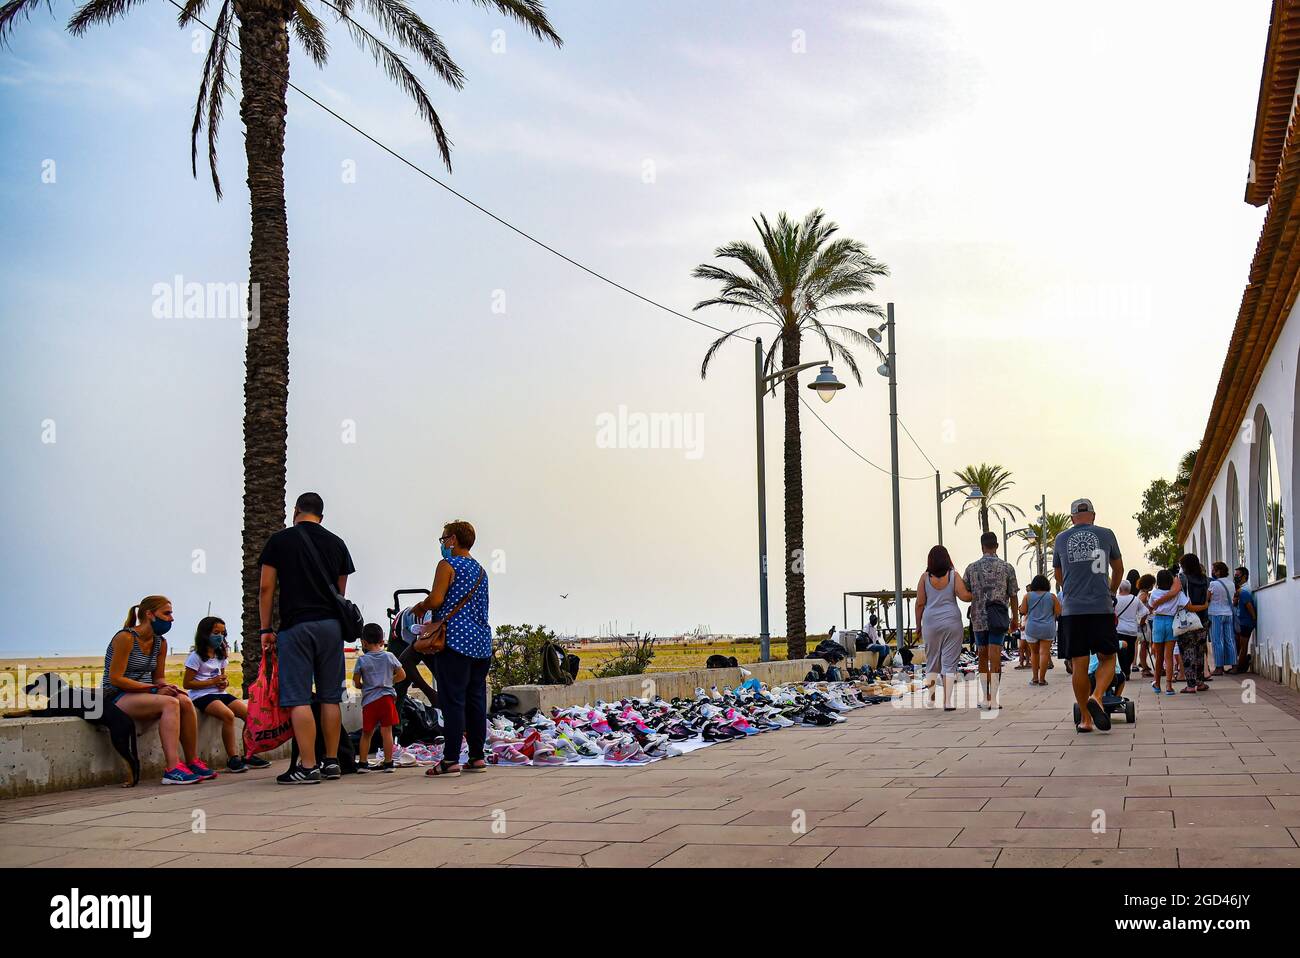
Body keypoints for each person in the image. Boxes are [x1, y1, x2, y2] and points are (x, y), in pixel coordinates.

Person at [258, 492, 356, 785]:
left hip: (296, 626)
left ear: (296, 510)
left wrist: (265, 629)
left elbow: (266, 588)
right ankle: (331, 762)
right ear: (321, 517)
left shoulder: (279, 541)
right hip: (330, 627)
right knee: (329, 697)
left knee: (298, 697)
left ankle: (308, 766)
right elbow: (340, 594)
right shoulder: (337, 543)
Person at [408, 520, 492, 777]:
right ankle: (477, 756)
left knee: (453, 700)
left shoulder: (447, 565)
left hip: (454, 641)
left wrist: (420, 607)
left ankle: (450, 760)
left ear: (453, 539)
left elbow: (436, 599)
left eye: (444, 538)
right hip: (481, 643)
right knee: (476, 700)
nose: (443, 543)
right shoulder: (480, 570)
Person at [102, 596, 214, 785]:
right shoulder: (126, 638)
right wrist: (154, 689)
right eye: (167, 613)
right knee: (170, 704)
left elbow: (158, 677)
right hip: (117, 695)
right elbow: (117, 679)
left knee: (184, 701)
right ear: (149, 614)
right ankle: (172, 768)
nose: (171, 619)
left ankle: (192, 761)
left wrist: (166, 686)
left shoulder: (160, 642)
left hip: (144, 693)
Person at [1052, 497, 1124, 733]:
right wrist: (1111, 591)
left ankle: (1085, 719)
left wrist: (1071, 590)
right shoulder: (1106, 534)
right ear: (1093, 515)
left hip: (1073, 610)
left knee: (1079, 664)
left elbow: (1058, 575)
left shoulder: (1061, 539)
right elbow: (1119, 569)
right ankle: (1098, 695)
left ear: (1072, 519)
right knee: (1108, 657)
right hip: (1100, 607)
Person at [182, 616, 270, 773]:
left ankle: (249, 754)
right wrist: (212, 682)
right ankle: (233, 758)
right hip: (202, 695)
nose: (220, 637)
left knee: (249, 714)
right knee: (227, 715)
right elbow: (187, 684)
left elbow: (221, 676)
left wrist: (224, 683)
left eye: (222, 633)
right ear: (205, 634)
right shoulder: (196, 657)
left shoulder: (220, 655)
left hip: (219, 692)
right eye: (216, 632)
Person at [963, 531, 1021, 710]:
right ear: (996, 546)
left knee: (982, 656)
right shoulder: (1007, 567)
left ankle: (985, 697)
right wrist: (1015, 619)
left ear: (982, 546)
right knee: (995, 656)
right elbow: (1013, 595)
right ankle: (994, 698)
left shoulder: (971, 568)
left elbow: (965, 592)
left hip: (979, 618)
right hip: (998, 617)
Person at [914, 545, 973, 712]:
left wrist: (918, 625)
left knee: (932, 660)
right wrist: (979, 592)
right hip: (952, 622)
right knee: (949, 662)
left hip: (930, 623)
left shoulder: (924, 578)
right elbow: (965, 596)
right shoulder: (954, 576)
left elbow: (919, 603)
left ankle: (931, 699)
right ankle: (947, 701)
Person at [1151, 554, 1210, 693]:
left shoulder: (1182, 578)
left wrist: (1157, 602)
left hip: (1185, 620)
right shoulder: (1205, 579)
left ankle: (1190, 684)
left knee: (1187, 651)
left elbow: (1175, 592)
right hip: (1202, 619)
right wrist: (1205, 605)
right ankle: (1200, 682)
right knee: (1200, 651)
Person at [354, 623, 406, 772]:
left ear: (363, 642)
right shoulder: (389, 656)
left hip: (370, 701)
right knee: (387, 731)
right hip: (387, 699)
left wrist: (365, 686)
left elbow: (356, 683)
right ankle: (388, 763)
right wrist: (391, 681)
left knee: (367, 732)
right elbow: (402, 675)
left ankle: (363, 763)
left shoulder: (362, 661)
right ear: (382, 641)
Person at [1019, 574, 1060, 686]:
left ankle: (1035, 678)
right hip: (1047, 628)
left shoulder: (1027, 596)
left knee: (1034, 653)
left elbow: (1022, 610)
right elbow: (1058, 612)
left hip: (1032, 628)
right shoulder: (1052, 597)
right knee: (1044, 653)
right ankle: (1042, 679)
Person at [1147, 569, 1183, 695]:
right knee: (1169, 656)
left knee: (1159, 656)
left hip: (1158, 622)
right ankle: (1169, 685)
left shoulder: (1155, 593)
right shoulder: (1175, 593)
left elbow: (1151, 607)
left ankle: (1157, 683)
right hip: (1171, 622)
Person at [1207, 562, 1236, 675]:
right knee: (1230, 639)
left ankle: (1219, 667)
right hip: (1228, 613)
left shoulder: (1213, 584)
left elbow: (1207, 598)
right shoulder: (1231, 584)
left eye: (1214, 570)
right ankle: (1234, 665)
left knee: (1217, 641)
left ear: (1218, 571)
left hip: (1215, 614)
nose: (1212, 572)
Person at [1113, 580, 1141, 680]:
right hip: (1132, 630)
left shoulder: (1115, 599)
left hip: (1119, 629)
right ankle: (1127, 669)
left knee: (1121, 651)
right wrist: (1141, 621)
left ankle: (1125, 670)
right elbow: (1145, 611)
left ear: (1119, 588)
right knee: (1131, 650)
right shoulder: (1135, 599)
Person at [1232, 567, 1257, 674]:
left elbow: (1249, 606)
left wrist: (1254, 618)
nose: (1235, 577)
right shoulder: (1240, 591)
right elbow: (1235, 604)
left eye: (1237, 575)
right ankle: (1239, 666)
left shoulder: (1245, 591)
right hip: (1241, 621)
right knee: (1240, 645)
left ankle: (1239, 668)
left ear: (1244, 577)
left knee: (1243, 646)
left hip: (1246, 622)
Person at [1135, 573, 1156, 677]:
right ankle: (1144, 668)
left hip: (1144, 622)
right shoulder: (1143, 595)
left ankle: (1144, 665)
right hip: (1144, 623)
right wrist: (1143, 620)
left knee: (1144, 645)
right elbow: (1142, 611)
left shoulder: (1143, 594)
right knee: (1144, 645)